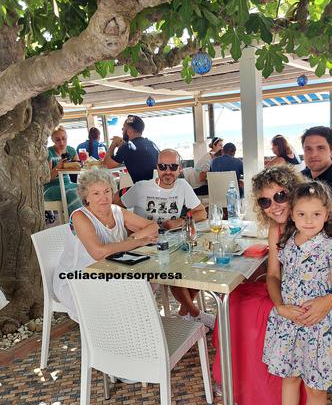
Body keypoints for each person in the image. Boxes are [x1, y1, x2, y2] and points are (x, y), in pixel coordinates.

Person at [212, 166, 332, 405]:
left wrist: (331, 298)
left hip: (326, 317)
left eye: (280, 196)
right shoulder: (278, 232)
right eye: (265, 201)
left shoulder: (327, 229)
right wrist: (280, 306)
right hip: (294, 315)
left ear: (293, 193)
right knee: (242, 308)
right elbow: (272, 275)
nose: (275, 205)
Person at [263, 181, 332, 405]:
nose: (309, 220)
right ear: (292, 215)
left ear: (327, 215)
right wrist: (282, 307)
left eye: (316, 214)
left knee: (316, 388)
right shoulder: (286, 243)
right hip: (291, 325)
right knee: (290, 377)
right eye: (302, 214)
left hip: (321, 329)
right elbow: (276, 276)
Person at [117, 149, 214, 328]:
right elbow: (115, 208)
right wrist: (132, 226)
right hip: (143, 246)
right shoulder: (141, 187)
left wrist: (180, 221)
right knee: (174, 268)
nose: (167, 171)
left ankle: (185, 314)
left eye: (173, 167)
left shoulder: (183, 187)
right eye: (163, 167)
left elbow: (202, 213)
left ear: (180, 168)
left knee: (198, 262)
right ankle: (195, 313)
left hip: (171, 242)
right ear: (157, 168)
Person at [53, 167, 158, 322]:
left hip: (110, 274)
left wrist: (134, 238)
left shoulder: (117, 211)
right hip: (76, 281)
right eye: (96, 193)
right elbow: (99, 252)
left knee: (149, 282)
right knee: (134, 294)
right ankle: (117, 336)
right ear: (86, 197)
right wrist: (137, 242)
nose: (103, 197)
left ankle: (138, 332)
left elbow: (153, 227)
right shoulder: (79, 216)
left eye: (107, 191)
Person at [102, 115, 160, 183]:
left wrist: (113, 144)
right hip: (158, 187)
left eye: (124, 127)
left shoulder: (127, 147)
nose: (122, 129)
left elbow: (106, 165)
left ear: (129, 130)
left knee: (117, 192)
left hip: (142, 189)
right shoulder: (151, 143)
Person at [44, 126, 82, 215]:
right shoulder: (48, 152)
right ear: (52, 140)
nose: (61, 142)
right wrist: (58, 167)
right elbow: (47, 178)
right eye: (57, 140)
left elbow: (78, 167)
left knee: (86, 189)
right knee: (71, 192)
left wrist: (79, 163)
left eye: (64, 139)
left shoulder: (71, 150)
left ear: (67, 137)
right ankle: (77, 221)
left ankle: (91, 218)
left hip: (67, 183)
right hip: (50, 188)